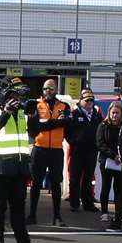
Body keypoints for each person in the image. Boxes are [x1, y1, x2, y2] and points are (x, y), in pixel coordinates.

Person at [0, 85, 45, 243]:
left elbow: (33, 132)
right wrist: (6, 113)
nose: (17, 100)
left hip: (19, 167)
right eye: (14, 96)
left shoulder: (22, 111)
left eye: (19, 97)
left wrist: (33, 117)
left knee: (18, 208)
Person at [27, 79, 69, 227]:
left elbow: (66, 123)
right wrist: (55, 123)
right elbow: (33, 127)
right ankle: (32, 215)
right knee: (36, 183)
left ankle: (57, 216)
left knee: (56, 183)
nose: (48, 91)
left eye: (51, 88)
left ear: (56, 89)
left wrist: (46, 125)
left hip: (56, 149)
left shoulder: (64, 106)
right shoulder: (37, 106)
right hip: (39, 148)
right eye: (46, 89)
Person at [95, 99, 122, 231]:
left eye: (117, 113)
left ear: (121, 114)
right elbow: (100, 144)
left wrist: (121, 156)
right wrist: (112, 155)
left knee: (119, 189)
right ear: (109, 113)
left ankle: (118, 214)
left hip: (120, 162)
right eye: (113, 113)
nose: (115, 115)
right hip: (107, 161)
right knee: (105, 187)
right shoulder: (103, 126)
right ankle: (104, 212)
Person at [66, 89, 101, 213]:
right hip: (77, 151)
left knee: (88, 179)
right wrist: (74, 142)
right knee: (75, 178)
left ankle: (88, 203)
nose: (89, 103)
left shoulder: (96, 115)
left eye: (91, 100)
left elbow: (100, 131)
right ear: (81, 101)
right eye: (87, 100)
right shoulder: (74, 114)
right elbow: (67, 131)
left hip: (91, 152)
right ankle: (74, 203)